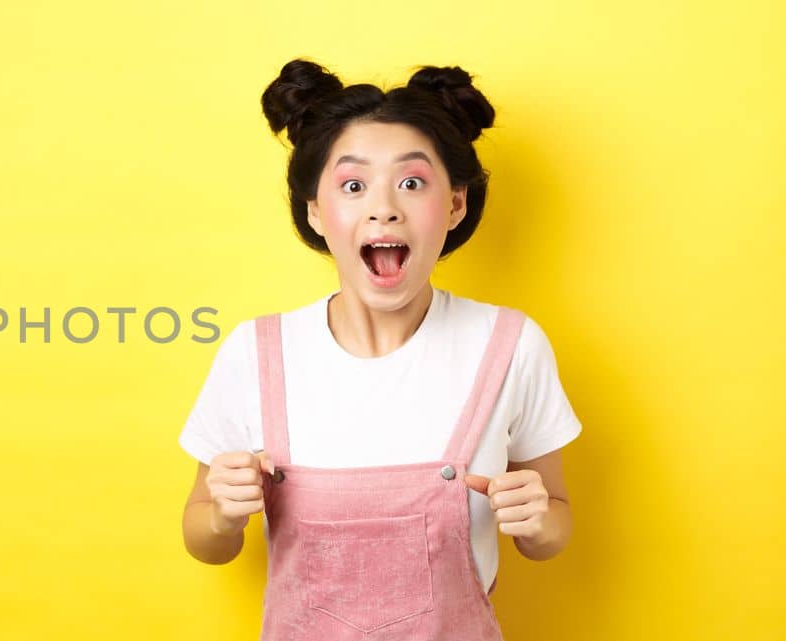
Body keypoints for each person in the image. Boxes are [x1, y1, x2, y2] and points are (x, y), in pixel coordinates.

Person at [177, 59, 581, 640]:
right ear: (316, 211)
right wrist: (221, 515)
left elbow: (554, 528)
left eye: (412, 183)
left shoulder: (511, 344)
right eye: (353, 185)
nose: (384, 206)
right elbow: (203, 541)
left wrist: (539, 524)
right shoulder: (257, 353)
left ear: (456, 204)